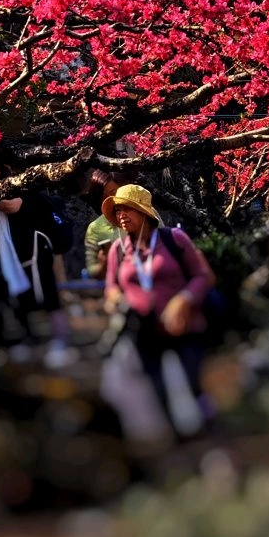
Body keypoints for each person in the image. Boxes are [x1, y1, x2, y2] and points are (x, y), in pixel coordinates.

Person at [101, 184, 215, 437]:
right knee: (157, 389)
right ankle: (176, 441)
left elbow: (201, 275)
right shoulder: (118, 251)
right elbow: (111, 288)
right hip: (144, 331)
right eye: (118, 211)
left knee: (194, 383)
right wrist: (116, 300)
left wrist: (183, 300)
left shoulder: (173, 239)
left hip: (182, 324)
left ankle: (211, 434)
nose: (121, 215)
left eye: (128, 209)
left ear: (144, 212)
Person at [0, 165, 73, 366]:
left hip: (34, 250)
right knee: (20, 299)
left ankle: (61, 342)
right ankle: (30, 342)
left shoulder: (21, 184)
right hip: (11, 255)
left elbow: (11, 206)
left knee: (48, 296)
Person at [82, 170, 126, 280]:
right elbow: (92, 270)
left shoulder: (145, 213)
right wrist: (105, 263)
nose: (110, 201)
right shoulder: (96, 228)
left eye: (114, 193)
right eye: (104, 197)